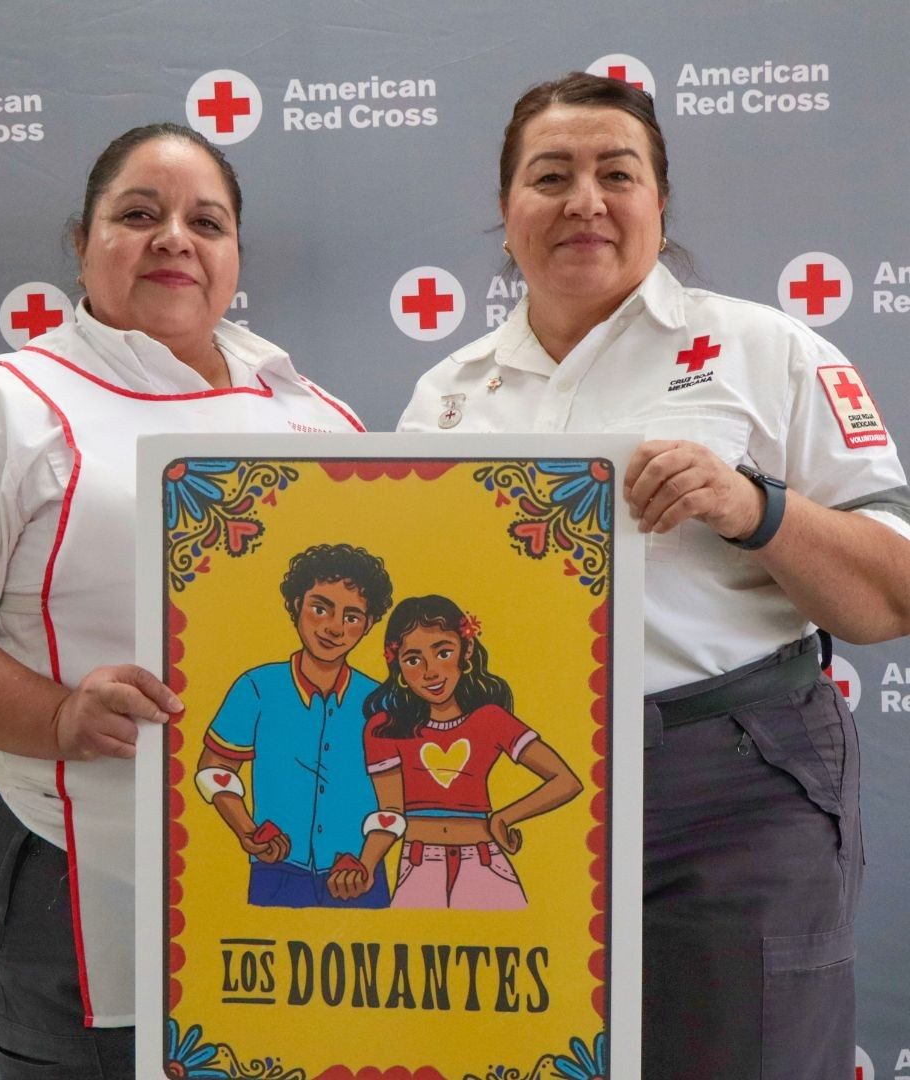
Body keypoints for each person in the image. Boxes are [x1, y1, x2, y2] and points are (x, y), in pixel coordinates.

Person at [397, 72, 910, 1079]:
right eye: (551, 176)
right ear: (506, 216)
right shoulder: (445, 398)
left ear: (658, 203)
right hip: (516, 792)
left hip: (730, 783)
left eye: (615, 173)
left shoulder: (767, 351)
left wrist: (752, 506)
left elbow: (894, 593)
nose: (584, 199)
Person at [0, 122, 365, 1080]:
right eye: (138, 214)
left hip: (285, 862)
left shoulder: (317, 416)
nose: (174, 238)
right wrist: (58, 713)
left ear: (236, 254)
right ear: (81, 242)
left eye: (207, 220)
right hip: (67, 860)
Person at [327, 594, 582, 909]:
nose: (430, 671)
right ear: (398, 668)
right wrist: (365, 865)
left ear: (467, 650)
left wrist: (504, 816)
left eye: (443, 652)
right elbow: (391, 813)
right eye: (413, 660)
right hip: (419, 863)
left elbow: (566, 780)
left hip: (485, 860)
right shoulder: (385, 727)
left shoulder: (490, 720)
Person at [197, 542, 394, 908]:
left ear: (367, 626)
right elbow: (215, 768)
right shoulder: (256, 687)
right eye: (321, 608)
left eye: (352, 617)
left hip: (358, 876)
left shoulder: (379, 703)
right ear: (295, 606)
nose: (334, 628)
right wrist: (247, 830)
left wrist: (366, 863)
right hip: (276, 871)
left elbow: (394, 801)